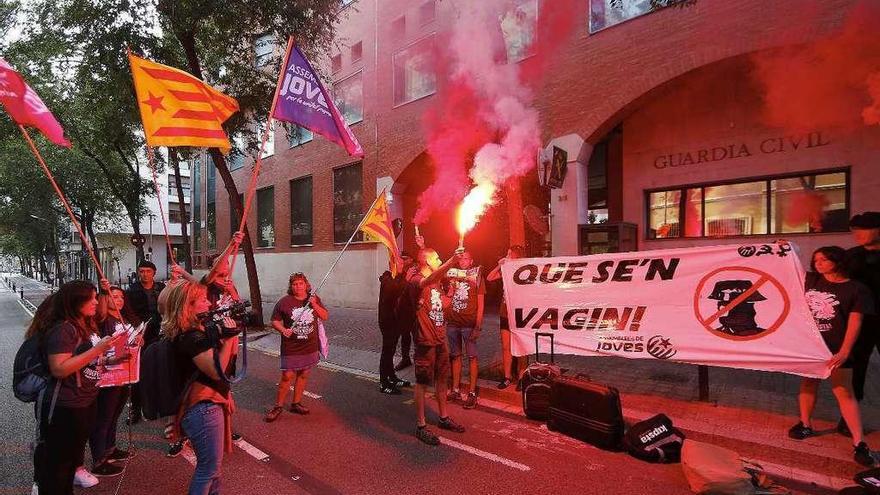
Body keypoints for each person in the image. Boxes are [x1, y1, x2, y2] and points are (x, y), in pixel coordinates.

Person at [32, 281, 125, 494]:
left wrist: (111, 359)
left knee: (70, 463)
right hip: (65, 406)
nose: (96, 302)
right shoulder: (64, 329)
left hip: (83, 401)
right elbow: (60, 368)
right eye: (91, 298)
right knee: (59, 466)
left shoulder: (83, 325)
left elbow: (85, 362)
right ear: (75, 302)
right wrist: (98, 350)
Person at [788, 246, 876, 467]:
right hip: (811, 348)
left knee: (844, 392)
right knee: (808, 384)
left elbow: (856, 323)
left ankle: (859, 443)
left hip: (837, 348)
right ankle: (805, 424)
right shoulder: (812, 281)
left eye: (825, 260)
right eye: (816, 259)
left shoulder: (857, 290)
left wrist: (845, 351)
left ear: (838, 261)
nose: (818, 263)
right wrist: (782, 247)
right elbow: (788, 265)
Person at [163, 281, 239, 495]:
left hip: (204, 402)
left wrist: (226, 393)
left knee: (213, 469)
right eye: (203, 300)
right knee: (208, 469)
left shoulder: (194, 331)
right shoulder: (192, 338)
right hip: (202, 407)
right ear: (189, 306)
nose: (209, 303)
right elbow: (217, 371)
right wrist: (232, 337)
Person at [407, 241, 466, 445]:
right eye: (437, 258)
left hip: (441, 338)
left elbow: (443, 306)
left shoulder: (438, 282)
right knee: (423, 383)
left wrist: (451, 292)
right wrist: (451, 261)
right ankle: (421, 425)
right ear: (427, 260)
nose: (440, 261)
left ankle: (443, 418)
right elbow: (427, 279)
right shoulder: (415, 279)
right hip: (426, 340)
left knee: (442, 379)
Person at [86, 281, 140, 478]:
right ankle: (99, 459)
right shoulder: (102, 319)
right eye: (113, 296)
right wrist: (103, 289)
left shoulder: (124, 317)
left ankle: (110, 447)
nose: (119, 300)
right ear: (104, 299)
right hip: (108, 373)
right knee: (104, 415)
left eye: (121, 297)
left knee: (115, 412)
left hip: (125, 371)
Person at [264, 273, 329, 422]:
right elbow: (275, 321)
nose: (297, 287)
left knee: (304, 374)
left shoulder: (314, 299)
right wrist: (283, 330)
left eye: (300, 283)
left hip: (309, 345)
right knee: (287, 376)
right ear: (290, 286)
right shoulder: (284, 302)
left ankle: (296, 403)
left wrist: (314, 304)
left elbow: (325, 316)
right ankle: (278, 406)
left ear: (306, 285)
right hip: (291, 346)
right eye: (294, 284)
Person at [846, 212, 880, 429]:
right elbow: (826, 273)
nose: (858, 234)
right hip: (860, 322)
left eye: (864, 229)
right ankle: (850, 417)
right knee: (856, 368)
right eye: (855, 230)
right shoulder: (850, 257)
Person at [124, 259, 166, 425]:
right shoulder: (132, 290)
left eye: (148, 271)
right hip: (140, 335)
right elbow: (127, 311)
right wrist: (138, 328)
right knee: (137, 373)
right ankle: (136, 408)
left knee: (159, 370)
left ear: (154, 273)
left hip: (160, 334)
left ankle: (157, 405)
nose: (144, 274)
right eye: (141, 271)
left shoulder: (161, 288)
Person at [445, 250, 485, 409]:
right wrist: (451, 287)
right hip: (453, 323)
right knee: (455, 356)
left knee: (472, 357)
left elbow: (481, 303)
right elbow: (448, 298)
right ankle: (455, 388)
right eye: (460, 258)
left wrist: (478, 325)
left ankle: (472, 392)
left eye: (466, 258)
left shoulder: (477, 277)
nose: (462, 261)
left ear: (471, 261)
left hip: (469, 324)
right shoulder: (453, 277)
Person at [486, 245, 524, 389]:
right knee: (506, 346)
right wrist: (498, 266)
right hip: (504, 313)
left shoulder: (524, 272)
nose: (506, 257)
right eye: (506, 254)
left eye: (509, 254)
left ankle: (521, 377)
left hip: (519, 314)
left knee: (521, 347)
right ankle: (507, 377)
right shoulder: (505, 271)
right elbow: (490, 278)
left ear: (517, 257)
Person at [377, 255, 413, 395]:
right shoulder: (387, 278)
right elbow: (393, 292)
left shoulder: (400, 277)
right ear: (392, 264)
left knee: (391, 351)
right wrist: (407, 279)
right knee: (387, 352)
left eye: (403, 263)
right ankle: (383, 382)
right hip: (387, 322)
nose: (402, 265)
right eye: (399, 263)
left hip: (398, 321)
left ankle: (392, 377)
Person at [393, 252, 416, 372]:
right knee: (405, 335)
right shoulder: (399, 272)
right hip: (403, 310)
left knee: (419, 335)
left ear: (411, 259)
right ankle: (405, 358)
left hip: (415, 308)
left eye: (405, 259)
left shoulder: (415, 270)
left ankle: (420, 358)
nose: (403, 261)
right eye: (402, 259)